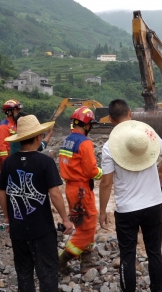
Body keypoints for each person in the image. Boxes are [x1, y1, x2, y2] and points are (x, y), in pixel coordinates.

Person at [99, 99, 162, 292]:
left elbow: (106, 183)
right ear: (130, 114)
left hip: (126, 211)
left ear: (111, 120)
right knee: (154, 253)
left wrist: (102, 212)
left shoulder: (109, 147)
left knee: (128, 257)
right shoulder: (148, 134)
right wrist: (161, 171)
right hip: (152, 206)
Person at [0, 115, 74, 291]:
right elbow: (54, 194)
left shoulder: (8, 162)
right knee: (47, 272)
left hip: (17, 229)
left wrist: (7, 218)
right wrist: (65, 219)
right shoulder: (45, 162)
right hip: (42, 229)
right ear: (39, 137)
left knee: (24, 273)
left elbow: (2, 193)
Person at [57, 106, 103, 274]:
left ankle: (87, 261)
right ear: (86, 125)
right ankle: (61, 261)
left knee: (83, 225)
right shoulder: (85, 143)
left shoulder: (67, 141)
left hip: (71, 188)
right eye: (90, 124)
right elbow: (92, 171)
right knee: (88, 227)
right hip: (82, 190)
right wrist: (102, 173)